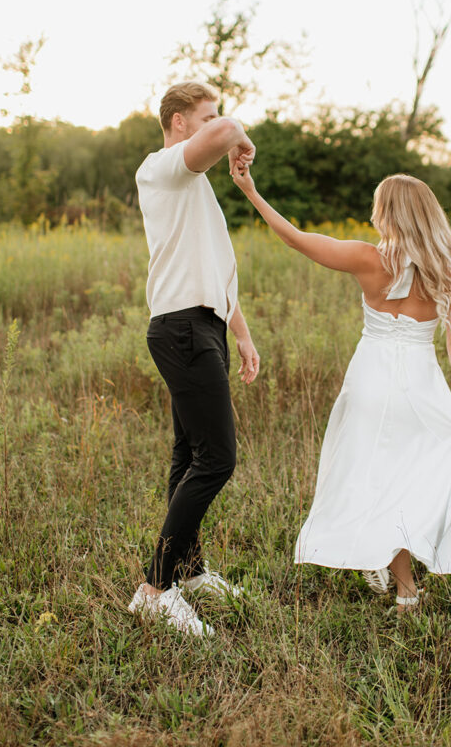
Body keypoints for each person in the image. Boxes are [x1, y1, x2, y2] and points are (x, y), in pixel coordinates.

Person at [231, 168, 451, 613]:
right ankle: (398, 580)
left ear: (387, 213)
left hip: (371, 378)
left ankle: (397, 578)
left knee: (371, 474)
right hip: (419, 386)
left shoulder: (369, 259)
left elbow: (293, 237)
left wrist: (251, 189)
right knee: (411, 475)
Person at [128, 81, 260, 637]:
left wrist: (244, 336)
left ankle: (190, 570)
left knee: (189, 454)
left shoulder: (196, 186)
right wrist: (236, 139)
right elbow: (229, 130)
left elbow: (215, 270)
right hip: (180, 327)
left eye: (215, 119)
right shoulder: (161, 168)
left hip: (204, 324)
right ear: (179, 122)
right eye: (203, 118)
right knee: (217, 459)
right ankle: (155, 589)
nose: (215, 125)